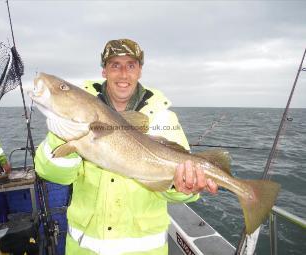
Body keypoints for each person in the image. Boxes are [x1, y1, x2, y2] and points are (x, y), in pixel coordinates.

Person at [35, 39, 218, 255]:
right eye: (115, 65)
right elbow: (55, 175)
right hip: (84, 249)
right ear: (104, 71)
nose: (123, 74)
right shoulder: (75, 120)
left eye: (131, 65)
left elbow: (176, 193)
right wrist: (61, 135)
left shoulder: (164, 117)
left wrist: (183, 188)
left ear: (140, 70)